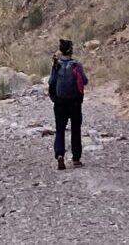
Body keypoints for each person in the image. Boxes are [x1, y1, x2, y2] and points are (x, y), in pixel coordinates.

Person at [48, 37, 86, 169]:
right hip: (75, 103)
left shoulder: (56, 65)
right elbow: (84, 81)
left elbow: (51, 82)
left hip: (59, 103)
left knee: (60, 129)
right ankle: (76, 158)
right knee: (76, 129)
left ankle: (60, 156)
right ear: (71, 50)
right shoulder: (76, 65)